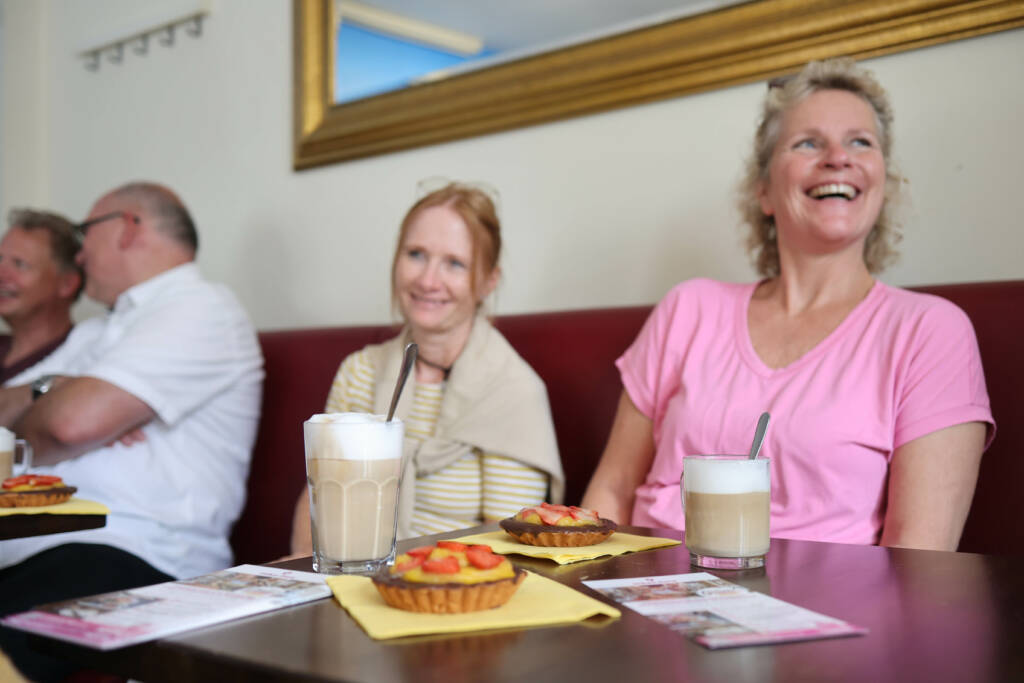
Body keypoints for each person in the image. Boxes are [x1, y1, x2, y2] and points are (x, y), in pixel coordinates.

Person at [581, 58, 993, 552]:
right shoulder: (687, 309)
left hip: (820, 622)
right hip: (643, 598)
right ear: (764, 191)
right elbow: (610, 493)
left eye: (861, 141)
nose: (839, 157)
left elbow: (918, 563)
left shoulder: (930, 331)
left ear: (883, 182)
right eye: (808, 143)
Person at [0, 182, 263, 681]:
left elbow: (67, 424)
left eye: (85, 233)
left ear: (127, 227)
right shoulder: (96, 332)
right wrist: (55, 388)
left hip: (132, 554)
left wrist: (59, 412)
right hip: (39, 549)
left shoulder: (202, 307)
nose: (78, 253)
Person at [291, 182, 562, 555]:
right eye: (416, 254)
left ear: (488, 281)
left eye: (454, 263)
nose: (427, 280)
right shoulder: (359, 372)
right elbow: (319, 504)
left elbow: (509, 549)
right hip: (349, 584)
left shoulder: (513, 392)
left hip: (454, 594)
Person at [0, 210, 84, 385]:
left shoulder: (84, 360)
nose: (2, 274)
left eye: (20, 264)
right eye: (0, 259)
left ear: (67, 284)